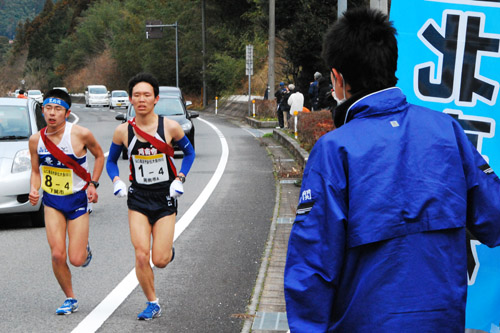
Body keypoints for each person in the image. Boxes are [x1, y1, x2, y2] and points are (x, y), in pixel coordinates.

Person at [284, 7, 500, 332]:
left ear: (338, 79)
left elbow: (311, 266)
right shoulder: (448, 132)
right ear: (390, 64)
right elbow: (494, 215)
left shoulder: (334, 150)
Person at [106, 73, 195, 320]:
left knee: (161, 259)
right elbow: (111, 162)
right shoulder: (123, 131)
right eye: (137, 95)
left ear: (156, 99)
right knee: (142, 254)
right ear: (130, 100)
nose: (141, 99)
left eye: (147, 95)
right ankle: (152, 301)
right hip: (138, 199)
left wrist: (181, 179)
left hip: (165, 197)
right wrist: (116, 181)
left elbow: (189, 154)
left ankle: (167, 251)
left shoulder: (170, 127)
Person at [28, 88, 104, 315]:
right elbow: (35, 171)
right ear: (43, 110)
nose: (52, 113)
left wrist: (93, 183)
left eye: (58, 109)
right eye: (48, 108)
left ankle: (84, 249)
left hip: (78, 200)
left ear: (67, 113)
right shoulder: (35, 140)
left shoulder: (81, 134)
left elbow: (99, 155)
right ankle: (70, 298)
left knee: (77, 259)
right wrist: (34, 188)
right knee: (57, 254)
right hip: (52, 201)